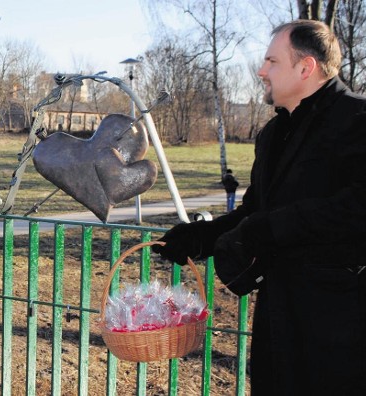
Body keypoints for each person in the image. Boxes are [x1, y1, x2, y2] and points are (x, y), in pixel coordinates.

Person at [152, 20, 366, 395]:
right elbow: (254, 212)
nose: (261, 70)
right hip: (279, 319)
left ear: (306, 68)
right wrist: (199, 239)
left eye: (272, 61)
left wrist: (271, 228)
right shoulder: (272, 134)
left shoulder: (357, 120)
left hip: (343, 322)